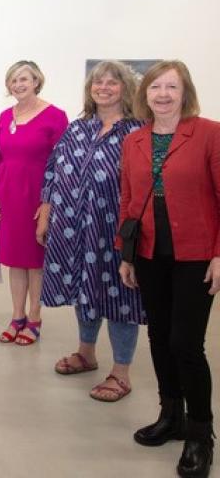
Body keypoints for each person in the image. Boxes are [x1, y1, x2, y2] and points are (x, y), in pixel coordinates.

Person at [118, 60, 220, 478]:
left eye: (171, 87)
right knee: (159, 337)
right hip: (149, 253)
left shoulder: (209, 134)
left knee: (185, 344)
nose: (162, 94)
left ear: (185, 93)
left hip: (196, 253)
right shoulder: (135, 140)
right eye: (155, 87)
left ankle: (201, 433)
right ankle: (171, 415)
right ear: (145, 95)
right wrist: (125, 255)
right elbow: (128, 199)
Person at [37, 61, 144, 401]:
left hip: (115, 228)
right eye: (99, 83)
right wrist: (46, 210)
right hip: (72, 225)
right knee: (84, 286)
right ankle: (86, 352)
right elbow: (54, 169)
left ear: (125, 90)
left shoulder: (137, 131)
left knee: (120, 294)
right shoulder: (78, 127)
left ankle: (121, 373)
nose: (104, 88)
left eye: (113, 83)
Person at [0, 60, 67, 345]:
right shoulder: (3, 116)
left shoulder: (54, 115)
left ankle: (34, 318)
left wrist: (48, 203)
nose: (19, 85)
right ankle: (16, 315)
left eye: (24, 79)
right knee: (14, 260)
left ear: (36, 81)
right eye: (13, 81)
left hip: (36, 193)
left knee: (35, 261)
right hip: (8, 194)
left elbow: (62, 163)